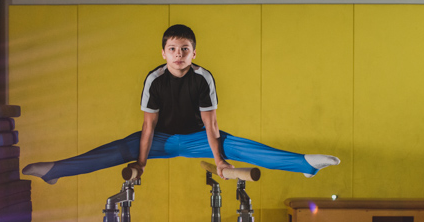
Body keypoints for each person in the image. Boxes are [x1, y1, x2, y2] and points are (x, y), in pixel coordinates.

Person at [22, 24, 339, 184]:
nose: (178, 54)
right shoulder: (154, 79)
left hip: (199, 138)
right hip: (160, 139)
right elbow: (148, 126)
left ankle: (304, 165)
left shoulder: (203, 78)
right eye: (172, 49)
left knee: (238, 146)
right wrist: (142, 164)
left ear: (193, 53)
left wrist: (220, 162)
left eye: (184, 49)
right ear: (163, 53)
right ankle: (57, 170)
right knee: (121, 148)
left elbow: (211, 124)